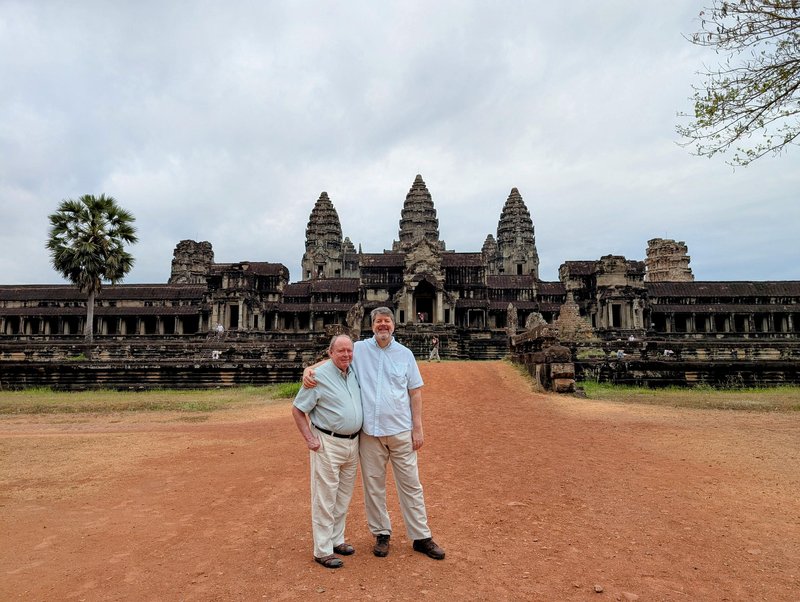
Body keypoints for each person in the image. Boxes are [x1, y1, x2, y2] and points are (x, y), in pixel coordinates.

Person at [304, 307, 445, 561]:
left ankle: (421, 536)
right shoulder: (359, 350)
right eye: (379, 321)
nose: (383, 325)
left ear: (394, 324)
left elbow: (415, 392)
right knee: (374, 487)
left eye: (387, 321)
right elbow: (337, 357)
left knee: (411, 485)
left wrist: (418, 428)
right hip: (370, 434)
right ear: (372, 326)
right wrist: (310, 369)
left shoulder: (405, 354)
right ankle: (381, 533)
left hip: (401, 430)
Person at [292, 334, 363, 569]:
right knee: (325, 496)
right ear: (330, 353)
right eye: (340, 351)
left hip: (353, 443)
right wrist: (309, 439)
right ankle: (322, 550)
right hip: (327, 442)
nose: (346, 355)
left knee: (343, 496)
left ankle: (336, 539)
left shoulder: (353, 372)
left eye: (349, 351)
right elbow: (297, 409)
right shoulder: (318, 377)